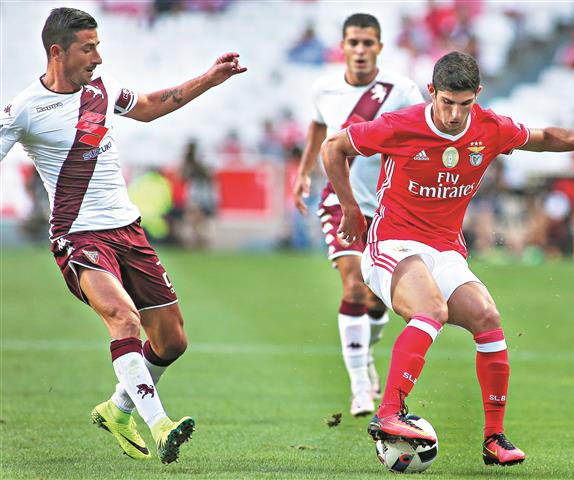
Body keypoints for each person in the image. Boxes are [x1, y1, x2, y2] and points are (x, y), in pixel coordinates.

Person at [322, 51, 574, 466]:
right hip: (392, 243)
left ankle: (494, 438)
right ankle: (388, 413)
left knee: (487, 318)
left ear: (478, 96)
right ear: (432, 91)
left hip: (446, 247)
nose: (454, 114)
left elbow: (542, 138)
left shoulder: (489, 127)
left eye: (464, 104)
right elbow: (333, 148)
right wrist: (349, 208)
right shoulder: (401, 125)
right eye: (447, 102)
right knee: (432, 309)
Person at [0, 7, 246, 464]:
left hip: (129, 231)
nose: (98, 56)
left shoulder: (103, 89)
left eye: (98, 45)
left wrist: (209, 79)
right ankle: (160, 424)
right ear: (58, 51)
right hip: (79, 237)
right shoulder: (24, 109)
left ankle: (117, 408)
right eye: (87, 48)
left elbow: (152, 107)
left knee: (172, 342)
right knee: (123, 318)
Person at [292, 13, 424, 417]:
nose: (361, 50)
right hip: (340, 199)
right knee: (353, 288)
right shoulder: (325, 87)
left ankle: (364, 350)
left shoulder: (402, 90)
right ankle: (360, 388)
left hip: (388, 208)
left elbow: (425, 134)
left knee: (378, 299)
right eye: (354, 43)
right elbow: (319, 127)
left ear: (380, 47)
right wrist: (303, 173)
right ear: (343, 47)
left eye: (368, 43)